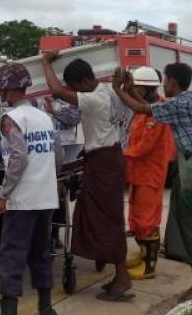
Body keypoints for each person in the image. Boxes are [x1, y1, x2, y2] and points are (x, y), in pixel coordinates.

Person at [113, 62, 192, 302]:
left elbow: (141, 109)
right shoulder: (187, 101)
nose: (164, 86)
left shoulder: (178, 104)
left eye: (166, 81)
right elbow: (147, 106)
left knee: (188, 226)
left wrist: (118, 90)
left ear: (172, 81)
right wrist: (129, 90)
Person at [0, 62, 62, 315]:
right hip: (46, 198)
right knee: (40, 253)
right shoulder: (44, 117)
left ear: (10, 89)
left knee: (11, 256)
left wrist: (3, 195)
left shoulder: (10, 119)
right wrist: (46, 180)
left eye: (1, 89)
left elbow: (19, 158)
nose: (0, 95)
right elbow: (58, 155)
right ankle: (46, 311)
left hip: (22, 200)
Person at [42, 53, 132, 302]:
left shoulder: (94, 99)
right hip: (109, 158)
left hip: (104, 162)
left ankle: (122, 277)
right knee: (103, 217)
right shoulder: (108, 91)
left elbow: (57, 91)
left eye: (74, 87)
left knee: (108, 220)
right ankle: (117, 272)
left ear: (83, 82)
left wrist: (45, 63)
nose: (74, 92)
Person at [112, 66, 174, 280]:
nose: (135, 92)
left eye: (138, 88)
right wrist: (127, 89)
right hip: (140, 173)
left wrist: (119, 155)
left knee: (147, 219)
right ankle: (143, 255)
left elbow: (143, 147)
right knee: (137, 217)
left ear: (148, 89)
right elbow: (136, 103)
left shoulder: (157, 112)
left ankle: (149, 266)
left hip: (150, 174)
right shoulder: (148, 108)